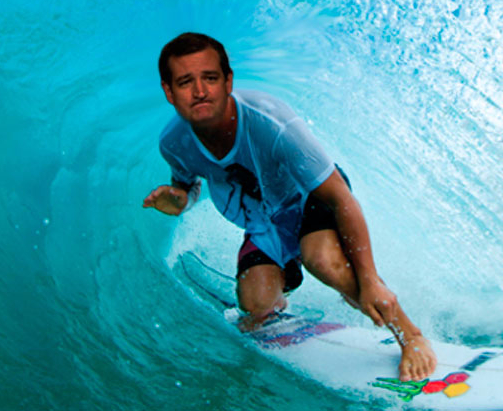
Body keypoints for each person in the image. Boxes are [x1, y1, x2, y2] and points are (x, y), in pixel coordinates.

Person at [143, 32, 437, 382]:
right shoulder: (173, 143)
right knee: (254, 309)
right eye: (185, 82)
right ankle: (283, 298)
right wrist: (177, 201)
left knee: (324, 262)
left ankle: (410, 334)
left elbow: (340, 196)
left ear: (228, 81)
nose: (200, 91)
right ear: (168, 91)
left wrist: (370, 279)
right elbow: (187, 187)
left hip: (308, 199)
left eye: (210, 78)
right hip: (265, 223)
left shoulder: (271, 122)